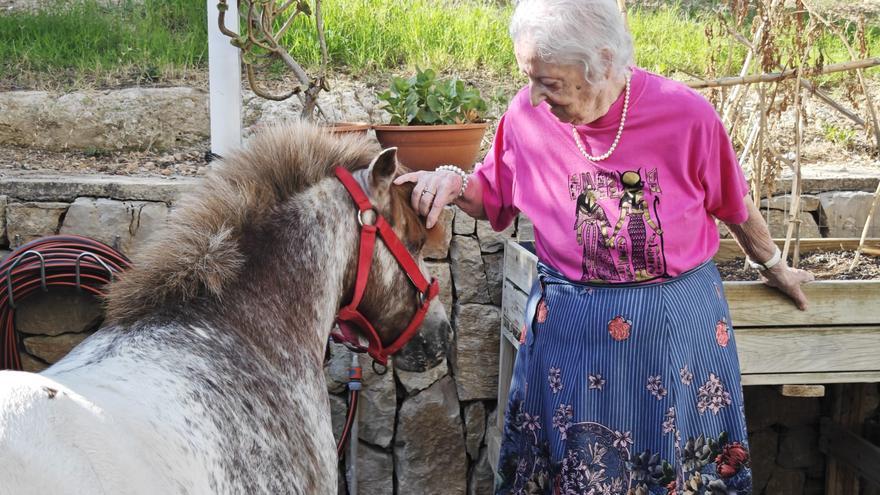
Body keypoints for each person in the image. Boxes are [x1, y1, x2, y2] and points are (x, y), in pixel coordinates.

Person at [394, 0, 814, 493]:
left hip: (674, 338)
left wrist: (773, 264)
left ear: (604, 61)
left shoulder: (685, 114)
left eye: (548, 81)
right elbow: (493, 197)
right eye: (528, 76)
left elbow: (733, 200)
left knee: (677, 470)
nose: (533, 96)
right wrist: (447, 179)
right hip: (572, 338)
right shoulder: (527, 117)